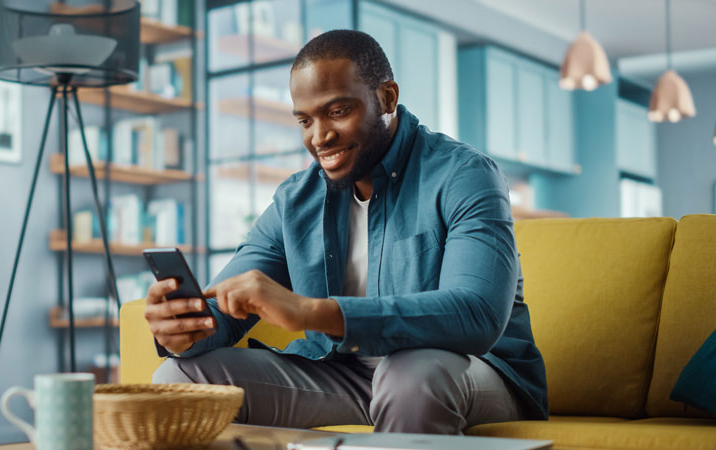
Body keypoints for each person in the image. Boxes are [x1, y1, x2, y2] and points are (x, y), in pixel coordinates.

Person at [145, 29, 548, 434]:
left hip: (469, 373)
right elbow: (224, 305)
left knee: (410, 374)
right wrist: (184, 329)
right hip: (342, 376)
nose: (319, 137)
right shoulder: (295, 199)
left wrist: (309, 311)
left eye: (337, 112)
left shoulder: (464, 174)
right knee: (179, 378)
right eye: (305, 120)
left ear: (387, 98)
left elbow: (475, 315)